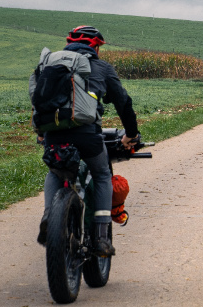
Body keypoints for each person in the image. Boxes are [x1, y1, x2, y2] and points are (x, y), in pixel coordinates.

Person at [37, 25, 140, 256]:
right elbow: (123, 102)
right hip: (87, 135)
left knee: (55, 172)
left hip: (53, 133)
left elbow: (38, 98)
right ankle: (102, 238)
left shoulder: (50, 64)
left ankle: (49, 216)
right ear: (95, 47)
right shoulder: (102, 67)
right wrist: (131, 134)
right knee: (102, 173)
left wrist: (42, 131)